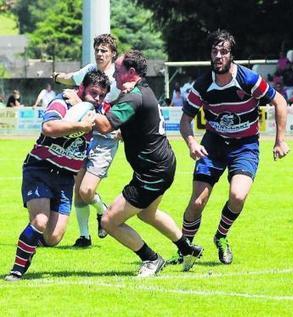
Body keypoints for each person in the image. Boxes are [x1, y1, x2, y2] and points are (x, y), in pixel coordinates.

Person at [168, 29, 289, 266]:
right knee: (197, 202)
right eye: (215, 51)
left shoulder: (248, 80)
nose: (218, 56)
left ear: (231, 54)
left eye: (224, 51)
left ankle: (221, 237)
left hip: (245, 145)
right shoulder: (202, 85)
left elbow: (279, 101)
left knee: (237, 195)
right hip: (213, 144)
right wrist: (191, 142)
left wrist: (280, 140)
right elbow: (185, 120)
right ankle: (185, 250)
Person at [92, 50, 203, 277]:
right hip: (162, 164)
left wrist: (82, 108)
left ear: (131, 72)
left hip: (152, 171)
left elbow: (104, 125)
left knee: (109, 221)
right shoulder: (140, 91)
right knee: (148, 214)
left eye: (118, 70)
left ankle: (151, 259)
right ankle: (187, 249)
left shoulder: (134, 96)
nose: (114, 74)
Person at [4, 70, 110, 281]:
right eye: (93, 93)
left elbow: (114, 120)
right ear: (81, 89)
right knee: (40, 221)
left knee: (53, 237)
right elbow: (49, 127)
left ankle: (30, 240)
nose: (97, 98)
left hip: (64, 179)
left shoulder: (98, 110)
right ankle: (17, 269)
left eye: (101, 95)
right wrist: (80, 126)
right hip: (40, 169)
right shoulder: (61, 103)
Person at [54, 34, 121, 247]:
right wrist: (56, 76)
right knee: (78, 189)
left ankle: (104, 212)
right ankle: (84, 236)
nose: (100, 54)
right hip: (84, 135)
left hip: (106, 137)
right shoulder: (89, 70)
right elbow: (71, 78)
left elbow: (125, 106)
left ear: (113, 54)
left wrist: (124, 129)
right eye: (98, 50)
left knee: (87, 191)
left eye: (104, 50)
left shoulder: (118, 78)